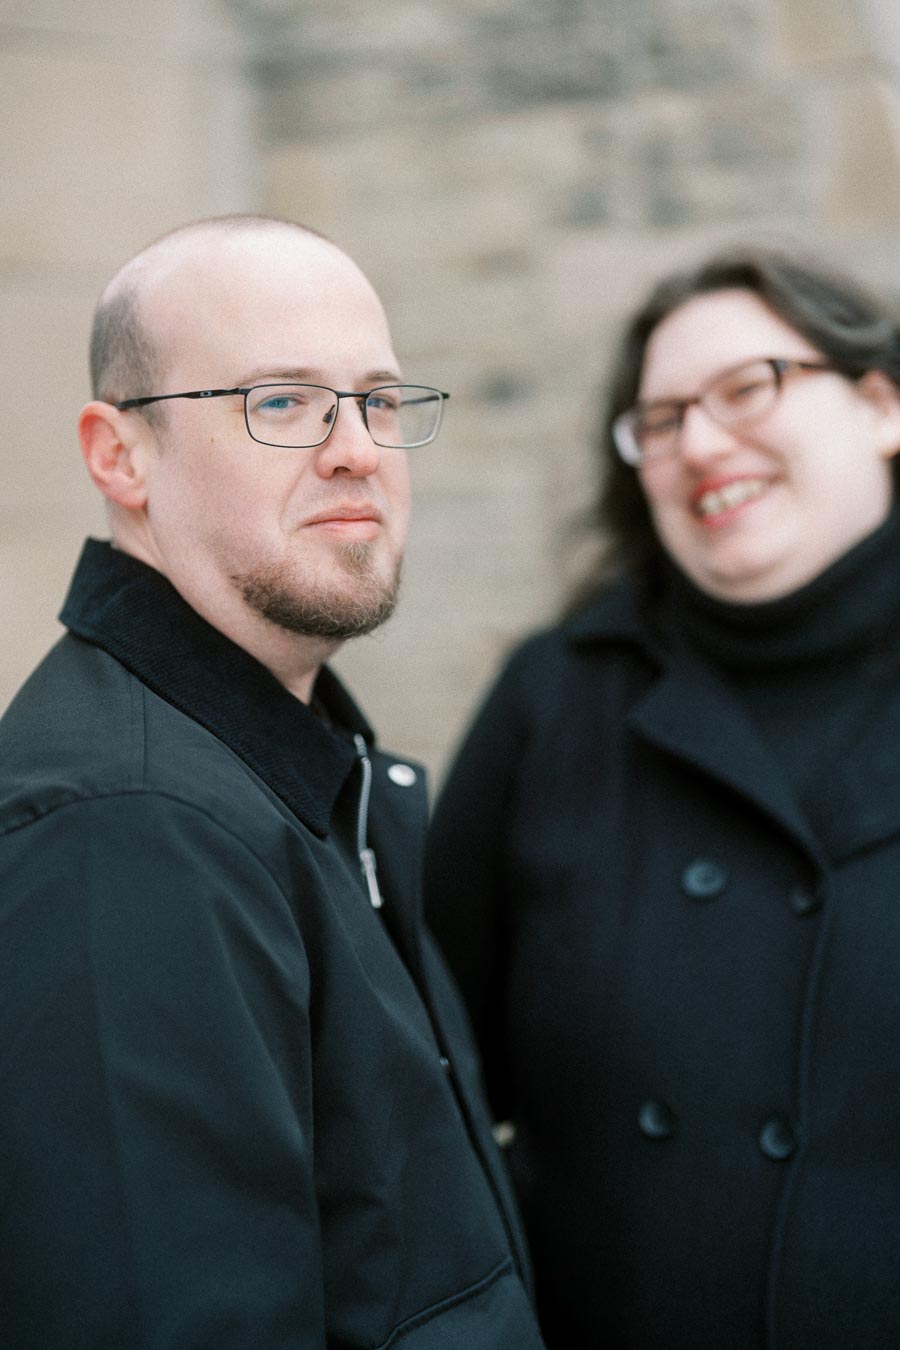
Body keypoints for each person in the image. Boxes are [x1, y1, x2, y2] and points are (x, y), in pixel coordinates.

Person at [0, 215, 546, 1350]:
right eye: (282, 403)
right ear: (120, 454)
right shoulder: (131, 829)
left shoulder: (306, 763)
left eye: (380, 401)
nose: (355, 450)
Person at [424, 246, 900, 1349]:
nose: (701, 443)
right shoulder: (554, 700)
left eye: (748, 389)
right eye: (663, 418)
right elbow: (425, 1085)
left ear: (880, 406)